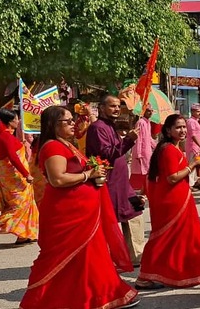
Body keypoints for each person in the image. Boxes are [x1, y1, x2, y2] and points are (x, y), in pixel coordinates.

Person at [21, 106, 139, 309]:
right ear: (53, 125)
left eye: (72, 120)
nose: (72, 124)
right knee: (57, 257)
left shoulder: (67, 144)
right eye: (67, 121)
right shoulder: (52, 147)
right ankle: (38, 302)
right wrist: (88, 176)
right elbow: (58, 179)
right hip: (66, 214)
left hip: (83, 213)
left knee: (89, 258)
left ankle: (98, 295)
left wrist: (94, 174)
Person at [135, 115, 200, 290]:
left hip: (177, 200)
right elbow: (172, 178)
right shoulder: (169, 150)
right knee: (165, 239)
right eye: (178, 127)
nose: (182, 131)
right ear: (168, 130)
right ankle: (144, 276)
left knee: (190, 237)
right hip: (173, 202)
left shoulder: (169, 148)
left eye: (183, 127)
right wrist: (192, 165)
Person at [86, 94, 145, 266]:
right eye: (112, 106)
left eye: (118, 106)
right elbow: (107, 154)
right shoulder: (97, 128)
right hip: (109, 183)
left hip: (122, 183)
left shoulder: (111, 126)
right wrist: (128, 140)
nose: (117, 109)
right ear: (102, 108)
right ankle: (110, 258)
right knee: (111, 221)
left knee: (134, 214)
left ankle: (136, 256)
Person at [0, 109, 38, 244]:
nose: (19, 121)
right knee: (19, 205)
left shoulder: (0, 136)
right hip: (13, 176)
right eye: (17, 119)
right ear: (10, 122)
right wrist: (26, 174)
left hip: (6, 174)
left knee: (26, 203)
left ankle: (25, 234)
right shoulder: (5, 136)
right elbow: (13, 158)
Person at [130, 105, 155, 194]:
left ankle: (145, 189)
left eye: (151, 111)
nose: (150, 113)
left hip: (147, 150)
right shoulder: (140, 122)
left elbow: (149, 137)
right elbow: (138, 139)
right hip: (141, 151)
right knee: (141, 171)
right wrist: (138, 153)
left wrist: (156, 146)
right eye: (148, 111)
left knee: (147, 170)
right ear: (143, 111)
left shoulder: (148, 122)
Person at [186, 103, 200, 190]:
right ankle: (189, 184)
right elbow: (193, 135)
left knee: (197, 165)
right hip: (192, 147)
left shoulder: (195, 121)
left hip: (196, 147)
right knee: (191, 166)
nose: (199, 113)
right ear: (192, 112)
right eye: (197, 112)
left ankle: (196, 182)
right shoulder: (191, 122)